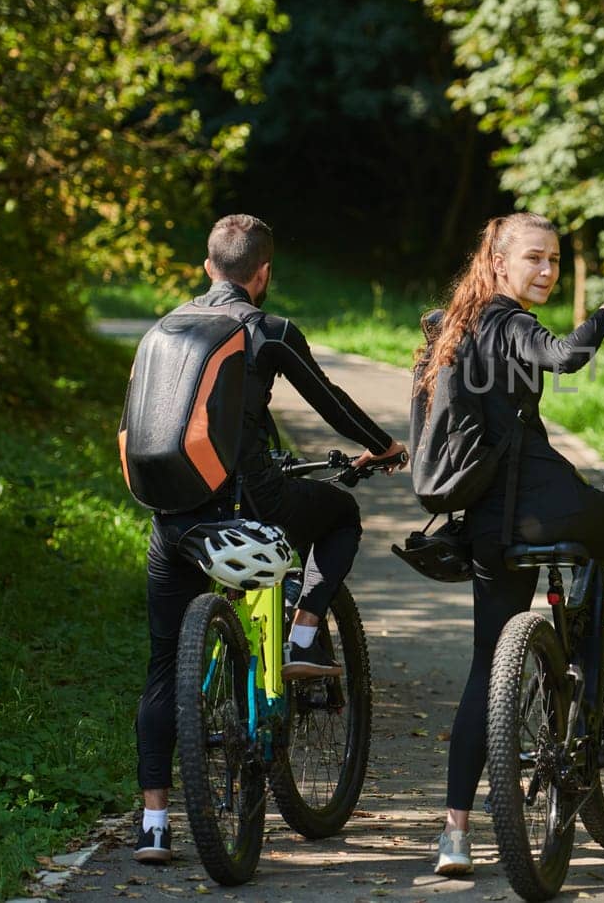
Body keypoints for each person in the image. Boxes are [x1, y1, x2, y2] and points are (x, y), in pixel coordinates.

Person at [132, 214, 407, 864]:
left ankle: (154, 825)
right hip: (253, 507)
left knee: (164, 667)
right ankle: (307, 626)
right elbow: (329, 399)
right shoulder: (268, 329)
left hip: (172, 520)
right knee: (338, 514)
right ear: (262, 275)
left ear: (208, 268)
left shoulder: (166, 327)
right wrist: (384, 446)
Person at [415, 212, 604, 877]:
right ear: (499, 264)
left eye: (554, 261)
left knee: (484, 670)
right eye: (534, 258)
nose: (546, 271)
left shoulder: (455, 328)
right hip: (541, 510)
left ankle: (454, 835)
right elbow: (565, 357)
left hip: (484, 526)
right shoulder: (506, 321)